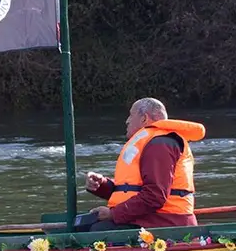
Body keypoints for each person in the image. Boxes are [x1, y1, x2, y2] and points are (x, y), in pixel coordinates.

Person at [82, 97, 205, 231]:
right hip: (148, 219)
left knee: (95, 231)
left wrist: (113, 214)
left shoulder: (160, 143)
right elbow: (132, 191)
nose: (127, 120)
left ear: (144, 119)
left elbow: (155, 196)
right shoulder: (150, 141)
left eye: (131, 115)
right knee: (83, 226)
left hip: (166, 222)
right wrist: (102, 185)